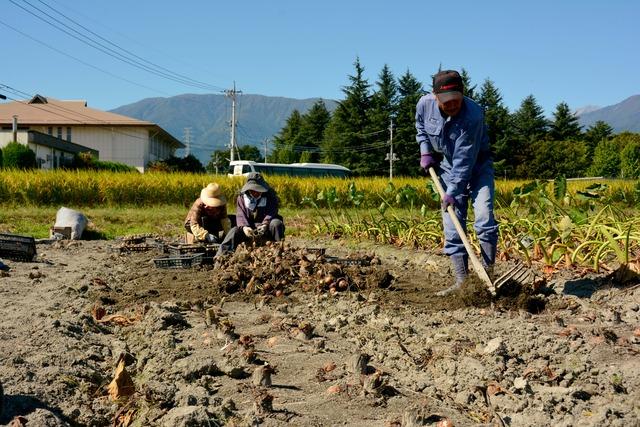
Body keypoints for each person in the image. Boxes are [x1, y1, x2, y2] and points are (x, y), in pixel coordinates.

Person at [415, 69, 498, 295]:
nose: (451, 105)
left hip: (478, 167)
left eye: (456, 100)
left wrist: (451, 191)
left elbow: (465, 160)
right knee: (452, 226)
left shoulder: (473, 116)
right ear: (434, 96)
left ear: (463, 94)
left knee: (483, 218)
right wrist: (425, 150)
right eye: (445, 102)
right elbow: (421, 127)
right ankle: (463, 283)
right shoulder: (424, 104)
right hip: (447, 168)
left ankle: (488, 276)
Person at [217, 173, 284, 255]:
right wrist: (245, 227)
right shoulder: (242, 198)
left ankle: (279, 252)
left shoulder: (270, 196)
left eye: (258, 190)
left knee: (276, 224)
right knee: (234, 231)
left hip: (266, 226)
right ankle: (220, 257)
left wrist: (265, 224)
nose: (255, 193)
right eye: (253, 190)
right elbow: (240, 214)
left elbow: (272, 211)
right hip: (249, 228)